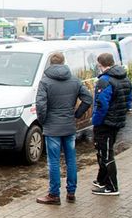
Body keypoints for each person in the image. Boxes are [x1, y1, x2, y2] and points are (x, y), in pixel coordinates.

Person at [34, 52, 93, 205]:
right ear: (63, 62)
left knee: (54, 161)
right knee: (71, 160)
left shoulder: (45, 82)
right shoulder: (75, 80)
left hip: (52, 127)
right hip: (69, 125)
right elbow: (88, 99)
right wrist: (77, 114)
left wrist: (43, 121)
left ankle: (54, 194)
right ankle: (71, 193)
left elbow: (41, 105)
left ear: (50, 64)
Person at [91, 53, 132, 197]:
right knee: (105, 151)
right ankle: (101, 180)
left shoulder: (105, 81)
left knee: (106, 154)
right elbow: (128, 100)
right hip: (117, 121)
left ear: (101, 64)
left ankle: (112, 186)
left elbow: (101, 104)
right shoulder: (125, 78)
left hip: (105, 123)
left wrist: (95, 121)